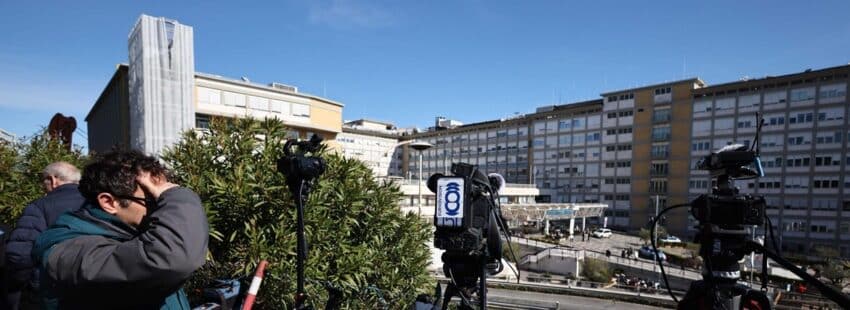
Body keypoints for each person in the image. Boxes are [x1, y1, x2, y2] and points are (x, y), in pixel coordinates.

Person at [32, 150, 208, 309]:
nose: (160, 209)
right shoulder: (68, 252)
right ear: (109, 202)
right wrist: (177, 196)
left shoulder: (131, 233)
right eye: (152, 200)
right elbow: (171, 259)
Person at [5, 162, 85, 310]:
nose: (43, 186)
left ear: (53, 180)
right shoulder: (98, 203)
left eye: (44, 180)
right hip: (92, 287)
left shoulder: (40, 206)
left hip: (50, 291)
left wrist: (19, 286)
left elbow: (20, 255)